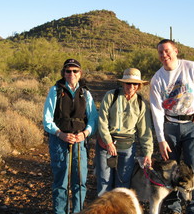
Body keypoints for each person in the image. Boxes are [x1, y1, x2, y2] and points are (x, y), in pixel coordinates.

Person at [149, 39, 194, 214]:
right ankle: (174, 206)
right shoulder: (157, 78)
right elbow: (156, 111)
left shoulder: (191, 67)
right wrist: (161, 139)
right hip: (170, 126)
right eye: (160, 52)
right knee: (170, 170)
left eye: (167, 51)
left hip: (192, 125)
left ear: (176, 51)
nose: (164, 55)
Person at [43, 58, 98, 214]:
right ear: (64, 72)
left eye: (75, 71)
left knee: (79, 181)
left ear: (80, 73)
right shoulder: (55, 91)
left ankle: (78, 211)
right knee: (61, 180)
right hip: (59, 140)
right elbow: (47, 120)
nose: (71, 74)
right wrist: (60, 134)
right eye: (68, 71)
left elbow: (93, 118)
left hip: (79, 140)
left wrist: (85, 133)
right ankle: (60, 211)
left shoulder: (85, 93)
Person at [95, 68, 153, 196]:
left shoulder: (141, 103)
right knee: (104, 182)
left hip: (127, 146)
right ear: (123, 83)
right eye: (128, 83)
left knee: (123, 183)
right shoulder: (111, 96)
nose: (131, 87)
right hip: (106, 145)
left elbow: (145, 130)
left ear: (139, 86)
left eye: (135, 84)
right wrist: (109, 142)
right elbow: (102, 121)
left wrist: (148, 152)